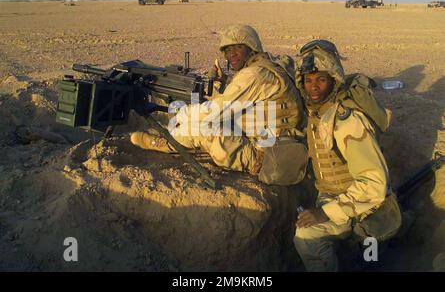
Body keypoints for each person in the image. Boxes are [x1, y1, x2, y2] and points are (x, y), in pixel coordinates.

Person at [130, 24, 307, 185]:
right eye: (228, 50)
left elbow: (215, 111)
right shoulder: (270, 65)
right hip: (282, 145)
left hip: (266, 158)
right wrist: (224, 82)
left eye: (238, 47)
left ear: (251, 48)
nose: (232, 54)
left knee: (198, 126)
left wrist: (183, 113)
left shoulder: (254, 75)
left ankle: (160, 143)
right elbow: (247, 97)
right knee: (208, 118)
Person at [293, 40, 402, 271]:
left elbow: (374, 185)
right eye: (308, 80)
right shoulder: (317, 112)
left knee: (306, 238)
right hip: (336, 199)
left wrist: (325, 213)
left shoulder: (347, 122)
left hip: (364, 207)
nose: (313, 87)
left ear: (334, 81)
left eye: (321, 80)